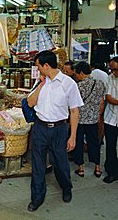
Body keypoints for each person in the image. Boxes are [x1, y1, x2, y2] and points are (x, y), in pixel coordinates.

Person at [26, 50, 83, 212]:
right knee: (37, 165)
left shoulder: (68, 83)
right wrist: (41, 84)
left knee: (60, 163)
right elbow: (30, 103)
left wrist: (72, 136)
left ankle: (66, 188)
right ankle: (37, 197)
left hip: (59, 129)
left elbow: (74, 111)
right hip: (40, 128)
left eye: (38, 66)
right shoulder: (41, 82)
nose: (37, 70)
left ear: (46, 65)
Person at [73, 62, 105, 178]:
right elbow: (102, 101)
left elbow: (74, 104)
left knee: (79, 143)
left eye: (76, 73)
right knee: (94, 143)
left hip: (80, 120)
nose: (76, 76)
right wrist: (98, 114)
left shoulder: (79, 86)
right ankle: (97, 167)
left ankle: (80, 168)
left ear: (81, 73)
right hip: (93, 119)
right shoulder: (100, 84)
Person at [102, 57, 118, 184]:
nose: (114, 72)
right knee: (110, 147)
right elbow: (108, 97)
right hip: (110, 119)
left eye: (116, 69)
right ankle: (112, 172)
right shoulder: (110, 78)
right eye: (112, 69)